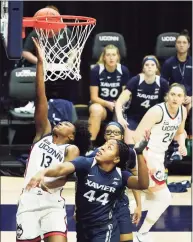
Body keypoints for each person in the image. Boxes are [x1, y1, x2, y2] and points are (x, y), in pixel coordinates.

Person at [16, 38, 91, 242]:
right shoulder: (43, 134)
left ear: (72, 136)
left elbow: (64, 175)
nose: (62, 122)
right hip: (28, 203)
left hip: (52, 204)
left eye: (68, 124)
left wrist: (46, 181)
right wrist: (41, 63)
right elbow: (41, 97)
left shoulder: (71, 149)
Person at [26, 138, 149, 242]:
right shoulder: (86, 163)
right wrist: (44, 172)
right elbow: (62, 168)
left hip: (104, 229)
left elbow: (143, 184)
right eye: (104, 144)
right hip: (83, 227)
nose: (102, 148)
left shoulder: (121, 175)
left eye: (109, 147)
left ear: (116, 159)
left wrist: (139, 153)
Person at [133, 83, 187, 242]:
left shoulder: (182, 111)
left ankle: (109, 210)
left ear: (184, 99)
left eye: (179, 95)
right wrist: (145, 161)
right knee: (164, 198)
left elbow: (180, 132)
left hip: (160, 157)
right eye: (172, 94)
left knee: (151, 199)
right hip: (148, 155)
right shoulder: (157, 111)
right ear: (167, 96)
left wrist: (182, 144)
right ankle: (141, 234)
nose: (175, 98)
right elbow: (137, 136)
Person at [14, 5, 77, 114]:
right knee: (35, 72)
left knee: (73, 76)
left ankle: (67, 107)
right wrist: (40, 62)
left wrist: (70, 61)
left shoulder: (66, 31)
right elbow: (25, 52)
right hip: (43, 66)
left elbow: (74, 49)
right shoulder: (37, 32)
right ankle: (33, 103)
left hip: (61, 66)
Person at [87, 121, 141, 242]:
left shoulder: (129, 153)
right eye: (109, 132)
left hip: (121, 203)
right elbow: (81, 181)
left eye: (116, 133)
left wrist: (138, 205)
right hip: (100, 204)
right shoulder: (96, 154)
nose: (112, 135)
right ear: (104, 136)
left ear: (122, 136)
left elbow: (134, 176)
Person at [115, 55, 169, 144]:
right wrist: (120, 117)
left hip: (154, 119)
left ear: (156, 68)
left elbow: (169, 103)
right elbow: (119, 102)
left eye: (152, 65)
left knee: (151, 145)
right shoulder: (136, 80)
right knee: (130, 143)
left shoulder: (162, 83)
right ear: (143, 68)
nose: (149, 67)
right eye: (147, 65)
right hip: (135, 117)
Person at [88, 44, 130, 148]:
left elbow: (126, 94)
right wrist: (107, 103)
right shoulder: (96, 70)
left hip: (118, 106)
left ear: (118, 57)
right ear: (104, 57)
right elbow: (93, 97)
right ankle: (89, 146)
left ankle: (123, 148)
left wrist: (118, 104)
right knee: (96, 109)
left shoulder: (123, 70)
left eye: (113, 55)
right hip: (102, 106)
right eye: (108, 55)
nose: (111, 58)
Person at [161, 29, 192, 114]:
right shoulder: (168, 63)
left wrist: (191, 98)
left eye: (184, 42)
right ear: (175, 45)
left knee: (190, 108)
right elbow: (163, 83)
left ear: (189, 45)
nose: (181, 45)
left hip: (190, 98)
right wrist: (173, 97)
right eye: (179, 42)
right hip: (174, 98)